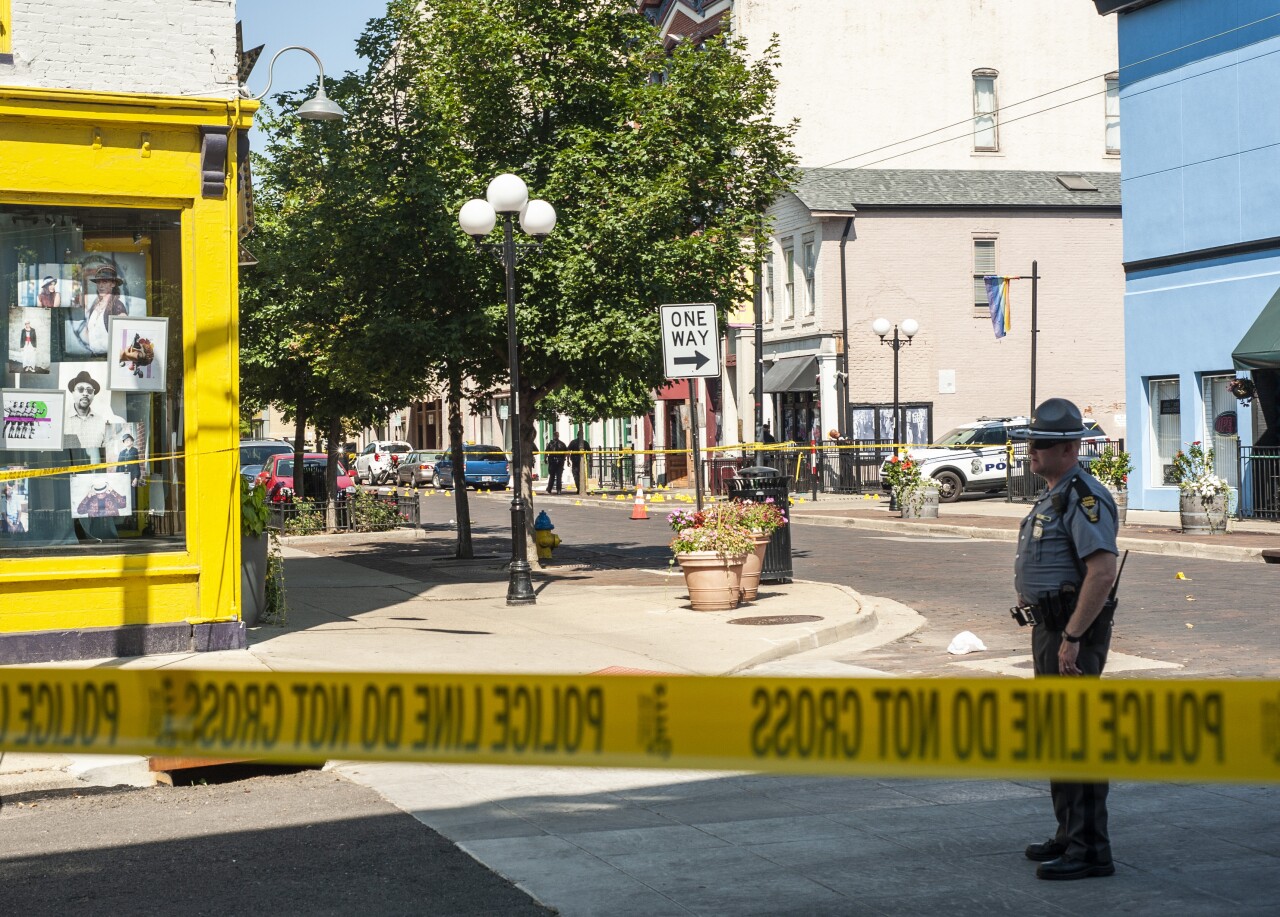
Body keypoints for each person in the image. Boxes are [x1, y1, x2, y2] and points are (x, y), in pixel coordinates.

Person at [1011, 398, 1120, 881]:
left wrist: (1073, 637)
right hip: (1050, 629)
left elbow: (1101, 573)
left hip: (1072, 632)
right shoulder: (1055, 493)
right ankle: (1068, 834)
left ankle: (1091, 849)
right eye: (1032, 442)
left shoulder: (1084, 497)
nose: (1031, 451)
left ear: (1071, 448)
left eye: (1043, 445)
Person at [80, 266, 129, 355]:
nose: (101, 285)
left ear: (113, 284)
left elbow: (124, 336)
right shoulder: (95, 305)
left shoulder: (117, 306)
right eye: (98, 282)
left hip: (111, 358)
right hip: (95, 357)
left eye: (105, 282)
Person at [64, 369, 109, 451]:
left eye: (89, 390)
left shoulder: (102, 422)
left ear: (93, 395)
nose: (85, 393)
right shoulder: (61, 421)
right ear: (73, 392)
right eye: (80, 389)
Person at [567, 430, 590, 494]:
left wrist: (568, 460)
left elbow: (568, 452)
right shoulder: (585, 442)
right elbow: (590, 452)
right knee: (581, 475)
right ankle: (581, 489)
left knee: (576, 476)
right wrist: (590, 461)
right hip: (580, 461)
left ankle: (579, 488)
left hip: (575, 461)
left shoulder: (574, 442)